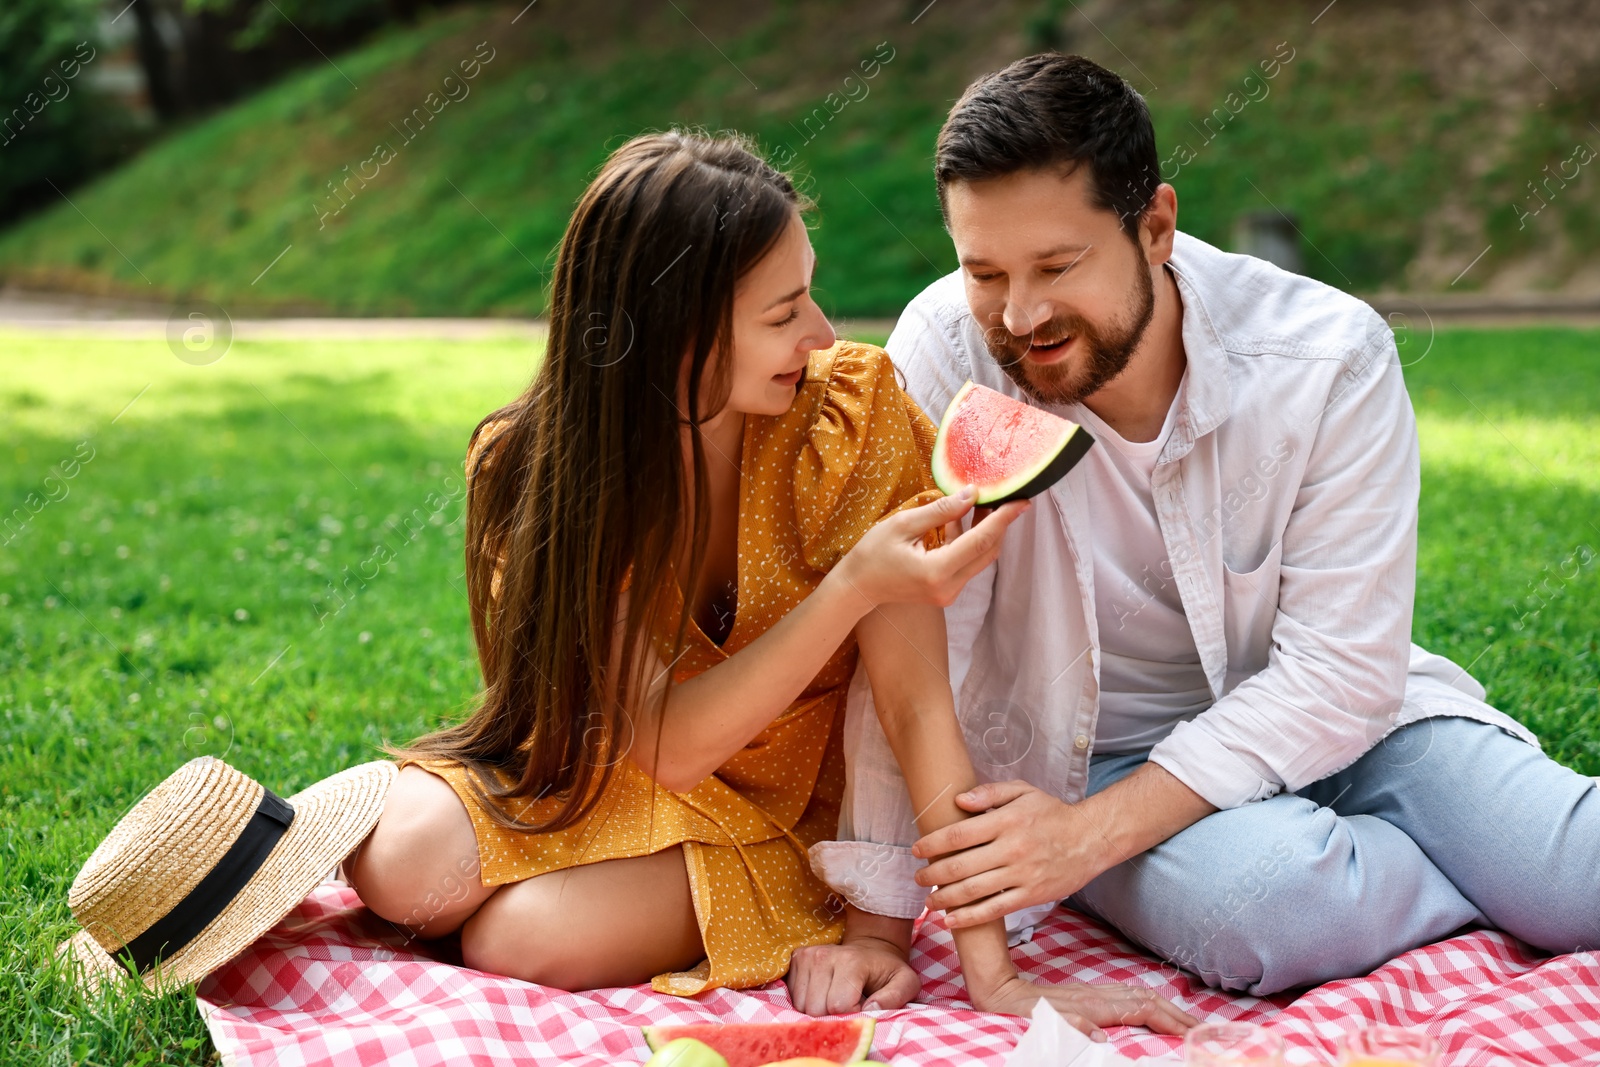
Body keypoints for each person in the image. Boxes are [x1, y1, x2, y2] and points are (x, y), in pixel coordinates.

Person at [340, 128, 1195, 1034]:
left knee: (519, 937)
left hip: (785, 818)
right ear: (678, 335)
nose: (823, 333)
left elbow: (915, 710)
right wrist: (851, 585)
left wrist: (991, 973)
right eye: (784, 313)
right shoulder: (529, 465)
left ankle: (620, 893)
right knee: (400, 865)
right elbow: (662, 744)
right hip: (622, 769)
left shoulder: (851, 422)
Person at [799, 53, 1600, 1005]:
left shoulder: (1328, 355)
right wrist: (882, 921)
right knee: (1285, 909)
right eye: (985, 272)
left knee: (1580, 876)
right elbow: (912, 649)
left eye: (1058, 266)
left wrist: (1083, 847)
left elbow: (1342, 669)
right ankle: (1438, 882)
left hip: (1346, 721)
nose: (1020, 316)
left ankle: (1484, 876)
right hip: (1086, 761)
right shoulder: (943, 350)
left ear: (1156, 227)